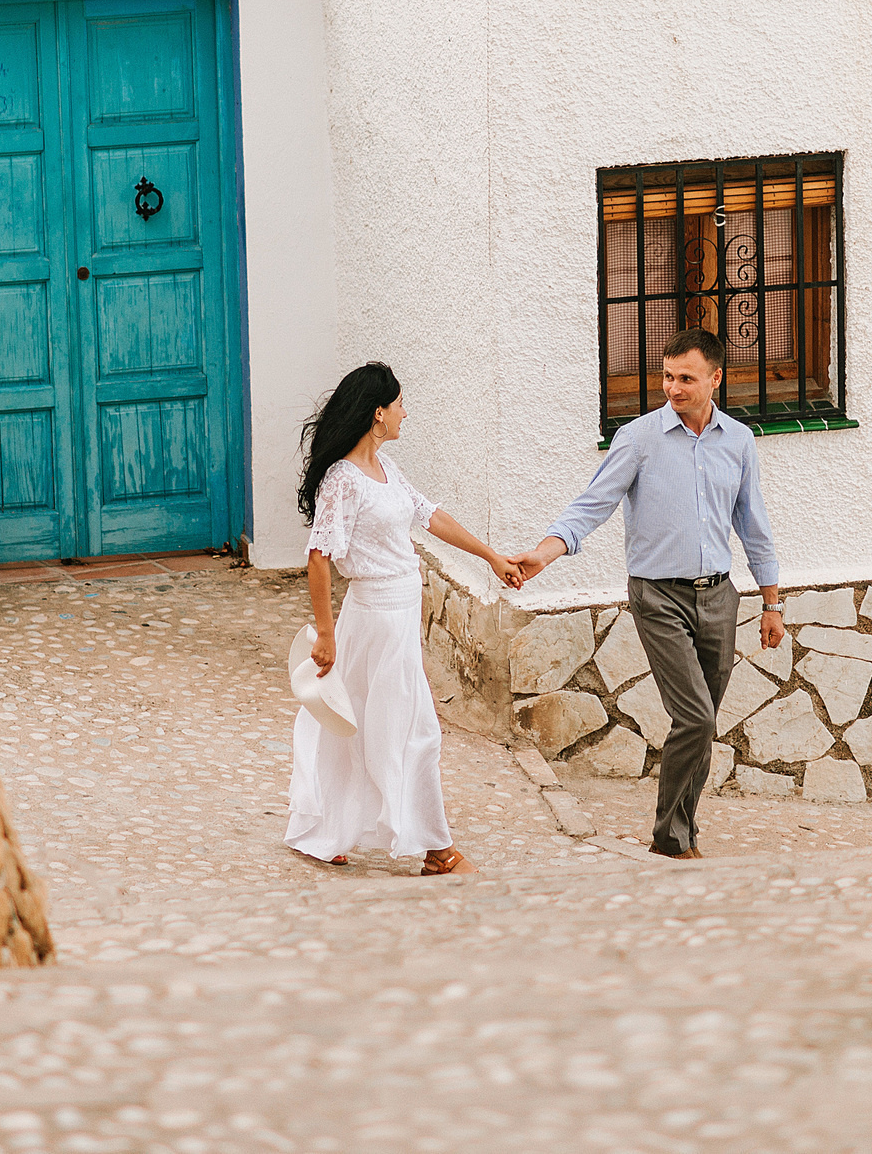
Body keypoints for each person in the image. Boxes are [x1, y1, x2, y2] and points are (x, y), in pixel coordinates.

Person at [511, 328, 781, 859]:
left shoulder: (739, 441)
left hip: (720, 597)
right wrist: (545, 553)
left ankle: (681, 831)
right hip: (658, 596)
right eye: (667, 376)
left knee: (700, 723)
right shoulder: (638, 438)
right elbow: (592, 504)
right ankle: (672, 839)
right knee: (698, 718)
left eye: (686, 378)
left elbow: (753, 524)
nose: (673, 388)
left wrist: (772, 603)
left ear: (715, 379)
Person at [287, 361, 523, 874]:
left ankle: (328, 827)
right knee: (412, 729)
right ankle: (437, 851)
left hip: (399, 613)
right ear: (378, 413)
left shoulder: (387, 470)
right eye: (399, 405)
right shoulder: (343, 481)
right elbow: (319, 556)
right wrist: (325, 633)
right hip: (373, 616)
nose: (404, 413)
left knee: (359, 724)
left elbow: (429, 515)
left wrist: (491, 557)